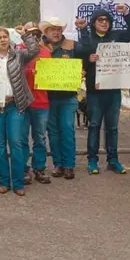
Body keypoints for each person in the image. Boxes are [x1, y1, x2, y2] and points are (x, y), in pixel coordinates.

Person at [76, 4, 130, 175]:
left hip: (113, 89)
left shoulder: (116, 36)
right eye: (100, 20)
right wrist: (89, 58)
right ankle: (92, 161)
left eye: (106, 20)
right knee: (94, 125)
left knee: (112, 127)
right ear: (94, 22)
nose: (104, 22)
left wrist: (126, 14)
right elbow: (83, 56)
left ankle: (113, 160)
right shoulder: (88, 38)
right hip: (95, 90)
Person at [0, 28, 40, 196]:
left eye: (5, 37)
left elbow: (34, 50)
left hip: (15, 104)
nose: (2, 40)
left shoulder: (19, 55)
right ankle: (4, 181)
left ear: (9, 38)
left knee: (15, 142)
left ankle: (18, 182)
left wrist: (25, 35)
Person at [44, 17, 84, 180]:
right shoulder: (40, 48)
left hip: (68, 96)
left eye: (59, 29)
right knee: (52, 132)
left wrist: (82, 71)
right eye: (52, 29)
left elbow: (87, 54)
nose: (56, 32)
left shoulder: (72, 45)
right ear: (45, 32)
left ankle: (69, 165)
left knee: (67, 129)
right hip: (48, 97)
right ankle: (58, 164)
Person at [16, 22, 52, 185]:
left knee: (39, 137)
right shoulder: (17, 50)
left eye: (37, 34)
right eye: (31, 34)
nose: (35, 37)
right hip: (23, 101)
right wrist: (30, 71)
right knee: (22, 137)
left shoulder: (46, 52)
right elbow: (12, 70)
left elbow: (53, 76)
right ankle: (24, 168)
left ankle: (39, 167)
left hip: (41, 101)